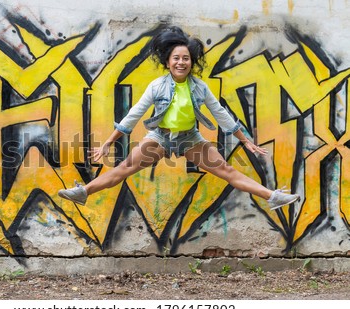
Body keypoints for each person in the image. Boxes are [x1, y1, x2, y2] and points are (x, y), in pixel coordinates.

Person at [58, 26, 299, 211]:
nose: (181, 62)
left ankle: (273, 197)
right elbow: (133, 115)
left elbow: (222, 116)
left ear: (191, 62)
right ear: (168, 62)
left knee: (227, 171)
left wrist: (245, 141)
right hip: (160, 138)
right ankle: (83, 192)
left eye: (185, 58)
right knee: (122, 170)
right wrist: (110, 142)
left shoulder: (199, 87)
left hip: (190, 139)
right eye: (176, 58)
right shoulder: (157, 86)